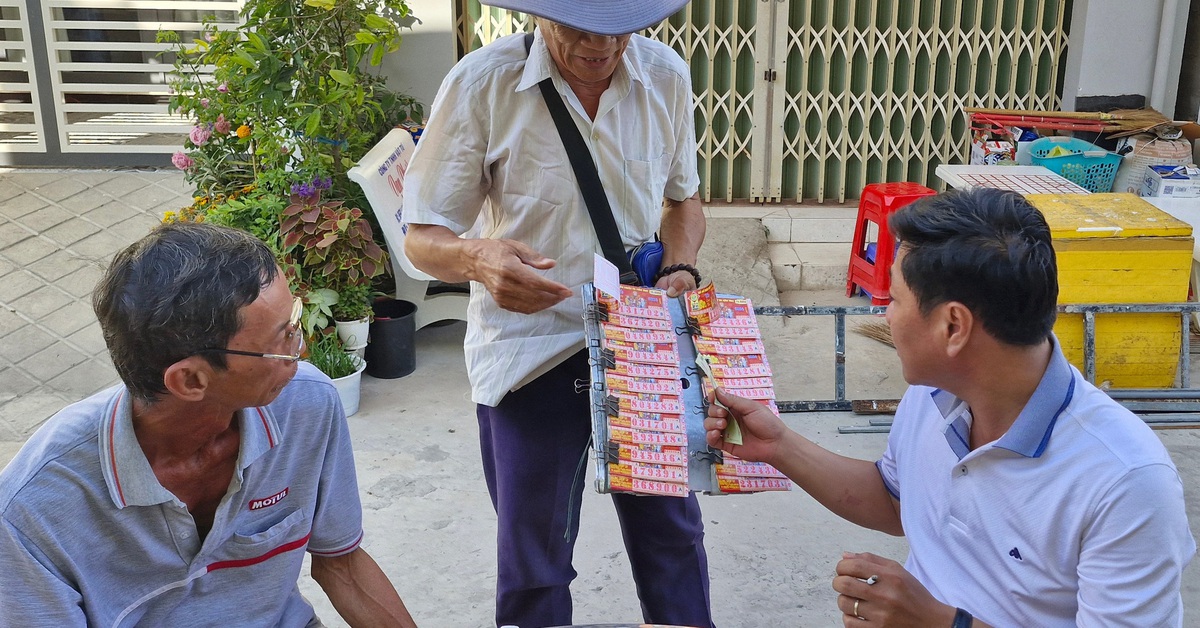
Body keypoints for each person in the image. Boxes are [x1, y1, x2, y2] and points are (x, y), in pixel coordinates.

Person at [704, 188, 1195, 627]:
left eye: (893, 299)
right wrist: (780, 446)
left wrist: (940, 624)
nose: (882, 315)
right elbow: (897, 502)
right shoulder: (934, 392)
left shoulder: (1126, 481)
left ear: (953, 327)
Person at [401, 1, 712, 626]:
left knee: (672, 541)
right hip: (530, 351)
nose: (601, 45)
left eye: (618, 28)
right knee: (534, 560)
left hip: (639, 342)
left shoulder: (666, 76)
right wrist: (479, 259)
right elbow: (421, 236)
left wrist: (680, 267)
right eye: (577, 26)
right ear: (540, 16)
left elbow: (684, 201)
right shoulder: (482, 83)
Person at [0, 223, 417, 627]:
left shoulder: (305, 405)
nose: (300, 349)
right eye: (281, 341)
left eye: (293, 324)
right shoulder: (32, 510)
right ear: (190, 380)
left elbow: (341, 565)